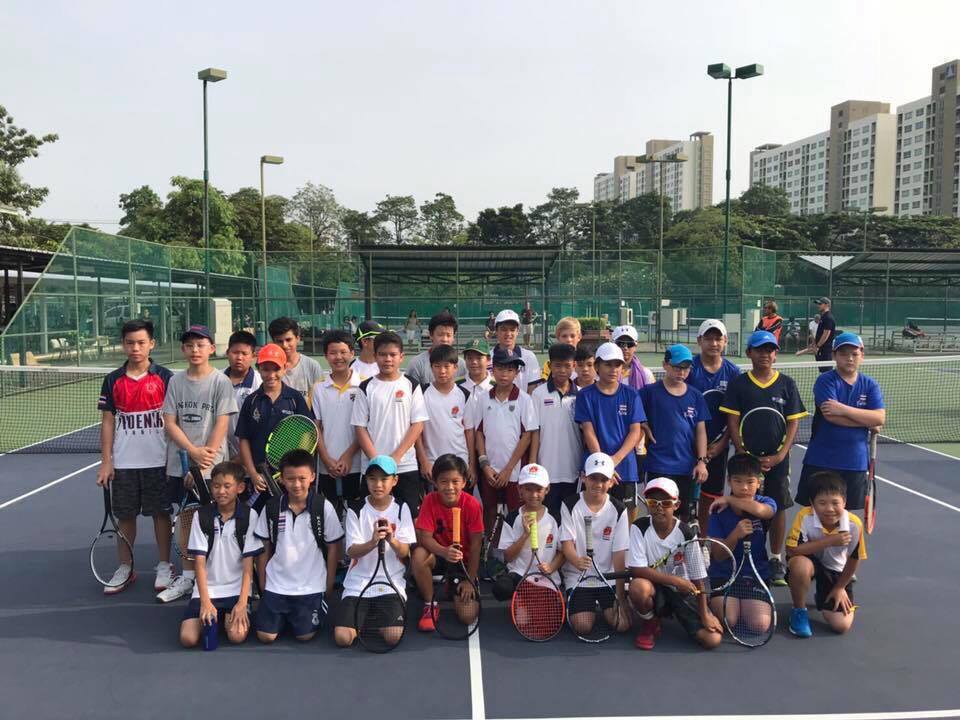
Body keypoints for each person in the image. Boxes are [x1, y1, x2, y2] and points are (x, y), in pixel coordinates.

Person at [720, 331, 807, 586]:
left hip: (777, 461)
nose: (765, 354)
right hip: (746, 461)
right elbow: (733, 420)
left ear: (776, 354)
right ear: (749, 353)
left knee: (778, 506)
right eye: (759, 349)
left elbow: (793, 424)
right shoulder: (739, 384)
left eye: (770, 350)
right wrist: (742, 451)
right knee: (742, 504)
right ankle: (742, 556)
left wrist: (780, 455)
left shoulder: (787, 384)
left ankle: (775, 558)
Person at [161, 325, 239, 603]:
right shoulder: (175, 382)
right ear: (183, 349)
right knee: (186, 522)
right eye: (190, 345)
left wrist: (203, 465)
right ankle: (187, 577)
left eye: (201, 345)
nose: (195, 350)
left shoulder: (221, 382)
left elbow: (222, 423)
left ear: (212, 349)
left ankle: (215, 576)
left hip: (212, 468)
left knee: (213, 522)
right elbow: (170, 422)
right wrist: (192, 451)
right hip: (180, 465)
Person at [96, 319, 174, 594]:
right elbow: (108, 421)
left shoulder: (165, 377)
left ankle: (164, 564)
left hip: (159, 461)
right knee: (125, 516)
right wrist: (107, 461)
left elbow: (174, 420)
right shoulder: (113, 380)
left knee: (161, 514)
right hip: (124, 463)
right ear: (123, 345)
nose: (135, 348)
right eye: (130, 343)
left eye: (141, 342)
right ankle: (125, 567)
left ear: (152, 344)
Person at [254, 449, 343, 643]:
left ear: (312, 477)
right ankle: (281, 616)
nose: (296, 484)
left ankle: (295, 616)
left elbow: (334, 548)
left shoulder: (323, 506)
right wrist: (263, 583)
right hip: (276, 585)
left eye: (302, 478)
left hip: (310, 586)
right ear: (281, 479)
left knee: (305, 635)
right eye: (290, 479)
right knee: (265, 636)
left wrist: (328, 585)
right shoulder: (271, 507)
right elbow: (264, 547)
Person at [796, 333, 885, 519]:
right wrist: (866, 421)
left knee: (844, 518)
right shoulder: (825, 380)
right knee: (812, 515)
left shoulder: (871, 385)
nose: (849, 358)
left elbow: (879, 417)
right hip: (821, 460)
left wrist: (843, 409)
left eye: (854, 353)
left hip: (854, 462)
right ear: (834, 355)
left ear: (862, 355)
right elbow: (831, 416)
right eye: (843, 354)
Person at [628, 477, 723, 650]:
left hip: (683, 592)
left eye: (665, 503)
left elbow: (698, 577)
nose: (659, 508)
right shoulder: (638, 527)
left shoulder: (686, 532)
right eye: (653, 502)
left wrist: (704, 614)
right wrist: (675, 581)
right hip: (656, 588)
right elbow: (637, 569)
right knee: (638, 587)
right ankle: (651, 622)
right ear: (647, 504)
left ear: (676, 505)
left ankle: (685, 615)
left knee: (713, 640)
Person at [333, 455, 415, 648]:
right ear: (366, 480)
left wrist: (391, 540)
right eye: (372, 479)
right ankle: (364, 617)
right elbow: (352, 552)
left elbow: (405, 552)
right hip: (358, 584)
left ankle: (372, 616)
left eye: (384, 479)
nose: (378, 484)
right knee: (343, 638)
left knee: (393, 637)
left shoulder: (402, 508)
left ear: (394, 480)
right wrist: (372, 542)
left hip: (391, 583)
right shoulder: (355, 509)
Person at [180, 461, 261, 648]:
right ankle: (214, 615)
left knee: (237, 636)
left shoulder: (250, 516)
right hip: (207, 590)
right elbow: (199, 564)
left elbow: (248, 566)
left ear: (240, 488)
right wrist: (205, 602)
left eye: (227, 486)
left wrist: (242, 603)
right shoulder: (201, 516)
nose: (221, 491)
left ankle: (226, 617)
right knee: (188, 639)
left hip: (236, 590)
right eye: (216, 486)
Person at [351, 330, 429, 516]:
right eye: (383, 354)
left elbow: (417, 424)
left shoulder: (412, 385)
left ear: (401, 356)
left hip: (405, 466)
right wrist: (377, 461)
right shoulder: (365, 387)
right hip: (373, 468)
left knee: (408, 517)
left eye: (393, 355)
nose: (388, 359)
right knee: (372, 517)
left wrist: (395, 457)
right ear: (375, 356)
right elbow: (360, 427)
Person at [786, 470, 866, 638]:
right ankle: (799, 610)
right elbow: (792, 550)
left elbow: (854, 559)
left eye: (835, 502)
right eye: (822, 503)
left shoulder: (854, 524)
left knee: (841, 625)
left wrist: (840, 587)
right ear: (812, 503)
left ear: (844, 501)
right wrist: (830, 541)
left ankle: (823, 594)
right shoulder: (804, 516)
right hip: (809, 560)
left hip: (835, 568)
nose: (829, 509)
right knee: (799, 566)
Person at [466, 347, 538, 533]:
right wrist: (485, 465)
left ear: (516, 373)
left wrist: (508, 469)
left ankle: (514, 547)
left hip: (514, 471)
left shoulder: (524, 399)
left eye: (510, 370)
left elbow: (527, 436)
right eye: (500, 369)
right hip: (489, 470)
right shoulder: (483, 399)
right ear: (492, 370)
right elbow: (479, 433)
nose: (504, 374)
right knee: (489, 510)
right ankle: (490, 547)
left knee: (515, 512)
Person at [706, 453, 777, 637]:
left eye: (750, 482)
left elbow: (765, 512)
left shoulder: (766, 502)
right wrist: (735, 535)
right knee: (729, 619)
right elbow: (718, 555)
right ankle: (713, 603)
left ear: (759, 482)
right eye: (738, 481)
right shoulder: (718, 511)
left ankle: (742, 603)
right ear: (729, 481)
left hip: (755, 574)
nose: (744, 487)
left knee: (759, 625)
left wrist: (730, 499)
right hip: (724, 574)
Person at [560, 452, 631, 636]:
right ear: (584, 478)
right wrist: (576, 561)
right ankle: (579, 603)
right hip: (578, 577)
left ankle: (608, 604)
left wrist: (621, 598)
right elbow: (567, 544)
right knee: (583, 627)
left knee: (622, 625)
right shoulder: (569, 504)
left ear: (612, 482)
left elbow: (619, 555)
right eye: (593, 478)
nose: (598, 484)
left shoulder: (619, 510)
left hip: (608, 578)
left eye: (603, 479)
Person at [412, 454, 484, 633]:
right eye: (444, 481)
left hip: (463, 562)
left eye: (455, 481)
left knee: (468, 616)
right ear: (435, 482)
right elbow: (425, 538)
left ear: (464, 482)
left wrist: (470, 580)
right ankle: (430, 604)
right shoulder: (429, 500)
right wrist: (444, 551)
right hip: (439, 556)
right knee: (419, 555)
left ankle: (454, 585)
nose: (450, 487)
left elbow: (476, 546)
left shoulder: (473, 505)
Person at [236, 344, 313, 511]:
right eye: (265, 369)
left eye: (276, 369)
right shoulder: (251, 401)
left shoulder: (295, 399)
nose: (271, 375)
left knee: (289, 518)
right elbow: (244, 439)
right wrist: (253, 473)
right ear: (258, 369)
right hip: (259, 480)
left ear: (285, 368)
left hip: (289, 480)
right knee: (257, 520)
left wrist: (290, 472)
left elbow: (307, 435)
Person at [639, 345, 710, 523]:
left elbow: (700, 431)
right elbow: (632, 414)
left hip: (686, 468)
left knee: (684, 518)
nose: (682, 372)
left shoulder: (696, 396)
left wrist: (701, 461)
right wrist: (642, 424)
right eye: (677, 367)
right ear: (665, 365)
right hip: (658, 466)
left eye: (686, 368)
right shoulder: (649, 392)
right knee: (657, 516)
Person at [573, 342, 647, 513]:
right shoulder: (585, 395)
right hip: (594, 468)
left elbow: (635, 431)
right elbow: (588, 431)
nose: (613, 369)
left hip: (625, 468)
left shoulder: (631, 394)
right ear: (597, 366)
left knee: (626, 517)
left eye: (617, 365)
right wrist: (604, 465)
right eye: (608, 364)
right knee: (591, 516)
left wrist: (615, 460)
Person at [687, 319, 742, 531]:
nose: (714, 343)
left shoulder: (733, 372)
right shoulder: (689, 369)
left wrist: (721, 444)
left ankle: (704, 541)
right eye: (708, 339)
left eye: (718, 339)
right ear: (699, 341)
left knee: (710, 499)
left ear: (725, 341)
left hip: (718, 447)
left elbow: (734, 416)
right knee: (682, 497)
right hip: (687, 444)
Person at [491, 463, 563, 602]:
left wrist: (551, 567)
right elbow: (507, 557)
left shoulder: (555, 518)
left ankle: (530, 598)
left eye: (539, 489)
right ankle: (522, 597)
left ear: (547, 489)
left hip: (546, 576)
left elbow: (563, 551)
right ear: (520, 489)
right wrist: (525, 535)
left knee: (538, 612)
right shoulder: (512, 518)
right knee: (501, 588)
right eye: (528, 489)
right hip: (519, 574)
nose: (534, 495)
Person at [311, 330, 362, 513]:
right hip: (327, 467)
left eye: (343, 352)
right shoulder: (318, 388)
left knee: (354, 515)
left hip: (357, 464)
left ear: (352, 353)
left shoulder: (364, 385)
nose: (338, 357)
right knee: (329, 516)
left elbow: (364, 428)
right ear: (326, 356)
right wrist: (326, 459)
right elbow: (316, 427)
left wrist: (348, 456)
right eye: (333, 353)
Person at [530, 344, 583, 521]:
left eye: (567, 366)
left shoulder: (581, 395)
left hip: (573, 469)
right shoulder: (538, 394)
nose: (562, 370)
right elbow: (535, 431)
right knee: (549, 519)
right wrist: (533, 463)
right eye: (558, 365)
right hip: (547, 468)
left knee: (570, 519)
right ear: (550, 365)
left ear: (574, 365)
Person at [416, 345, 471, 483]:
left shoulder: (464, 395)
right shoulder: (421, 393)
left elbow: (469, 431)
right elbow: (416, 431)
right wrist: (424, 461)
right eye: (437, 366)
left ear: (456, 367)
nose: (442, 371)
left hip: (460, 461)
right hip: (432, 463)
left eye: (447, 366)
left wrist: (472, 465)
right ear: (431, 367)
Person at [223, 330, 261, 462]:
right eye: (235, 352)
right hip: (219, 454)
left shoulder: (260, 383)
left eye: (244, 353)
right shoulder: (216, 380)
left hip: (251, 456)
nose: (239, 357)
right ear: (227, 353)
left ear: (253, 356)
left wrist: (242, 457)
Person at [268, 317, 325, 401]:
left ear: (298, 339)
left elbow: (322, 398)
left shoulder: (312, 366)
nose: (284, 345)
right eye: (279, 341)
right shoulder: (268, 367)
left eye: (288, 340)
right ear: (273, 342)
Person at [405, 311, 466, 386]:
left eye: (448, 335)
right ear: (431, 335)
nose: (445, 339)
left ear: (453, 337)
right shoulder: (417, 364)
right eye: (440, 335)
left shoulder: (462, 365)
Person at [490, 309, 541, 391]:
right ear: (496, 331)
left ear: (517, 331)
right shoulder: (488, 357)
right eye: (503, 329)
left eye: (512, 329)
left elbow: (532, 390)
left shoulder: (529, 357)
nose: (508, 334)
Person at [612, 325, 655, 391]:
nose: (625, 348)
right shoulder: (604, 374)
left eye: (630, 344)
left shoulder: (646, 374)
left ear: (635, 346)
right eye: (621, 343)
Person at [540, 316, 582, 382]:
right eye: (564, 336)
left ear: (579, 337)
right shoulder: (550, 364)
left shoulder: (585, 362)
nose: (569, 340)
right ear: (558, 338)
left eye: (572, 336)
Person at [812, 297, 836, 372]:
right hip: (821, 350)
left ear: (827, 305)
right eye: (818, 304)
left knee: (827, 372)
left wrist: (818, 346)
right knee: (823, 371)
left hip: (826, 350)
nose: (818, 305)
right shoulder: (823, 317)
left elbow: (826, 334)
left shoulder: (828, 317)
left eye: (820, 304)